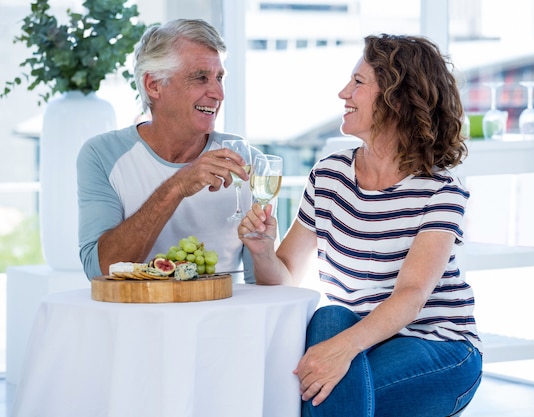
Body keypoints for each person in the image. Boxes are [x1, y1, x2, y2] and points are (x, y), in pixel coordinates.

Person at [239, 34, 482, 417]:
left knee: (312, 391)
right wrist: (262, 250)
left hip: (440, 346)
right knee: (329, 317)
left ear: (397, 98)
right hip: (365, 340)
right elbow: (285, 278)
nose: (342, 93)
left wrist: (341, 349)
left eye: (358, 82)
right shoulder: (330, 175)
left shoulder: (440, 190)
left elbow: (412, 295)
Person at [77, 19, 256, 283]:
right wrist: (177, 187)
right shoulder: (102, 155)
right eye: (200, 78)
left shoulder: (243, 158)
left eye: (219, 78)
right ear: (154, 85)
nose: (218, 93)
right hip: (140, 319)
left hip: (223, 317)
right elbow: (100, 271)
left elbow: (260, 285)